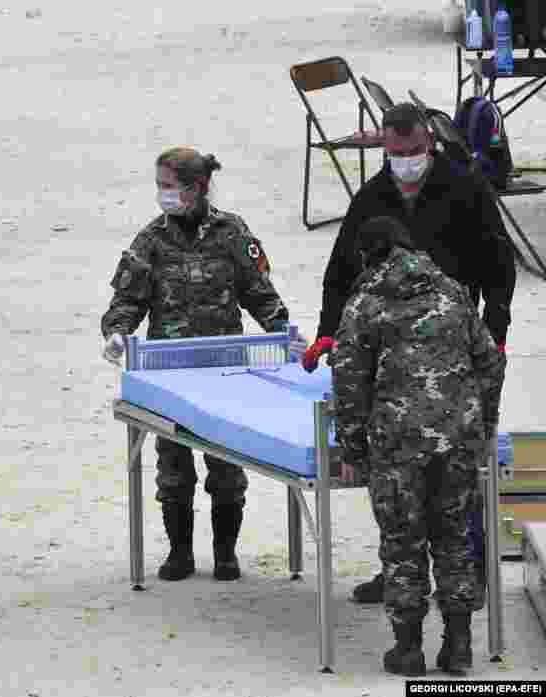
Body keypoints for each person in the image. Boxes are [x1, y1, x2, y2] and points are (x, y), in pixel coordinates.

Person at [301, 102, 515, 603]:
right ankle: (401, 571)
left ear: (431, 144)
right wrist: (329, 333)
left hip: (454, 342)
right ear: (384, 150)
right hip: (388, 353)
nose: (407, 161)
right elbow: (339, 273)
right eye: (396, 153)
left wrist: (495, 328)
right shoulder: (374, 196)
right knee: (397, 474)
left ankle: (468, 572)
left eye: (415, 151)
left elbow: (499, 264)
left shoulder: (465, 189)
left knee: (463, 459)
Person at [100, 147, 296, 582]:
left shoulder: (232, 233)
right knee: (173, 469)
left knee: (227, 468)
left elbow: (258, 291)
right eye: (160, 186)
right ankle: (180, 552)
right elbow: (127, 301)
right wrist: (116, 333)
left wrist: (282, 328)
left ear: (198, 187)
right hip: (169, 374)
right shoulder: (150, 240)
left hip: (224, 369)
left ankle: (225, 553)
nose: (163, 195)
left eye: (170, 186)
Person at [331, 216, 505, 676]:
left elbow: (348, 382)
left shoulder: (366, 302)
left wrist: (351, 448)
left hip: (397, 447)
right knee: (453, 540)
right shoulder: (453, 293)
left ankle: (408, 650)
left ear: (368, 253)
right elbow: (490, 362)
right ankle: (459, 647)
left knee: (403, 544)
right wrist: (483, 425)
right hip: (459, 442)